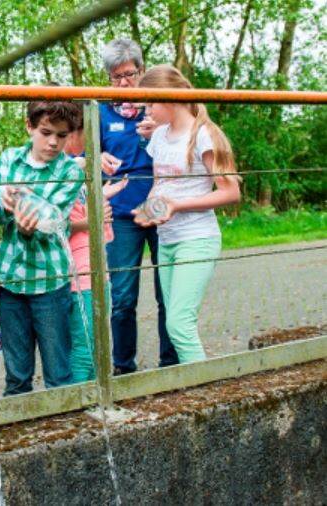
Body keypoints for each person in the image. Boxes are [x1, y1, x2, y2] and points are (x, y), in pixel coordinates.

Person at [135, 64, 241, 362]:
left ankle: (208, 395)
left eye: (151, 103)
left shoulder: (205, 134)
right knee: (176, 321)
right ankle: (192, 386)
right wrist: (148, 211)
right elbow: (162, 187)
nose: (148, 111)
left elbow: (231, 191)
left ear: (170, 98)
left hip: (196, 238)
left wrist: (176, 206)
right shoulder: (159, 137)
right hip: (167, 239)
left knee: (179, 325)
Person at [0, 100, 83, 395]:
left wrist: (28, 216)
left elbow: (54, 221)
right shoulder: (9, 159)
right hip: (11, 279)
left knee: (58, 372)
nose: (54, 142)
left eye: (62, 135)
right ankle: (18, 435)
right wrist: (6, 208)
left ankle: (67, 435)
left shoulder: (69, 171)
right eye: (46, 132)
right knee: (16, 375)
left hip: (49, 281)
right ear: (30, 127)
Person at [99, 38, 178, 374]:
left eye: (130, 74)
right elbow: (77, 155)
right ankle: (123, 367)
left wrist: (158, 131)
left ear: (142, 71)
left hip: (161, 206)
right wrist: (94, 157)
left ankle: (170, 363)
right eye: (116, 77)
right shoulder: (100, 111)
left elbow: (185, 142)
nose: (124, 83)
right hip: (121, 213)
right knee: (123, 297)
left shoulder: (160, 106)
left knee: (169, 292)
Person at [58, 102, 128, 382]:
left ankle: (94, 402)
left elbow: (82, 208)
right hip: (79, 272)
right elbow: (63, 219)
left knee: (98, 347)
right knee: (85, 350)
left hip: (96, 266)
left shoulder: (77, 169)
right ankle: (78, 407)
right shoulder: (66, 168)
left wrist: (102, 195)